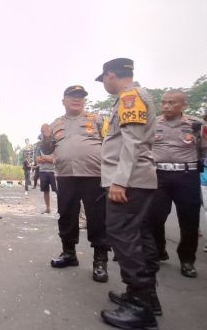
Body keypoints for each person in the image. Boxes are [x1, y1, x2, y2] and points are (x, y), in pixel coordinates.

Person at [96, 58, 160, 330]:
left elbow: (131, 143)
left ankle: (141, 308)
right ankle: (142, 297)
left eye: (105, 80)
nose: (105, 85)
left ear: (111, 75)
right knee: (137, 236)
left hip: (129, 181)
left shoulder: (130, 97)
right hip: (136, 180)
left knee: (123, 238)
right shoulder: (132, 96)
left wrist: (119, 182)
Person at [40, 85, 109, 283]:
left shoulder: (97, 120)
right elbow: (47, 150)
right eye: (72, 96)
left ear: (84, 100)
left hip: (94, 175)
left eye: (80, 96)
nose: (76, 99)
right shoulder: (55, 124)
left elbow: (111, 143)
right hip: (66, 176)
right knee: (67, 215)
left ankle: (100, 261)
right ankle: (69, 253)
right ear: (64, 101)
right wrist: (45, 137)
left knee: (97, 218)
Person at [148, 90, 206, 278]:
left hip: (186, 176)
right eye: (164, 102)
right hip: (159, 176)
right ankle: (158, 250)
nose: (166, 106)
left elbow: (204, 149)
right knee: (154, 217)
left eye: (172, 103)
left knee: (189, 220)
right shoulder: (153, 123)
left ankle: (187, 260)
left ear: (184, 105)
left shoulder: (196, 124)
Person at [35, 144, 57, 213]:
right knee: (45, 191)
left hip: (53, 172)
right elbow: (38, 160)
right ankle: (48, 208)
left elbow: (55, 160)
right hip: (43, 172)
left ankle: (61, 208)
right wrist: (50, 160)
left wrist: (43, 158)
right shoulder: (39, 148)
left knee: (57, 191)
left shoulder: (54, 147)